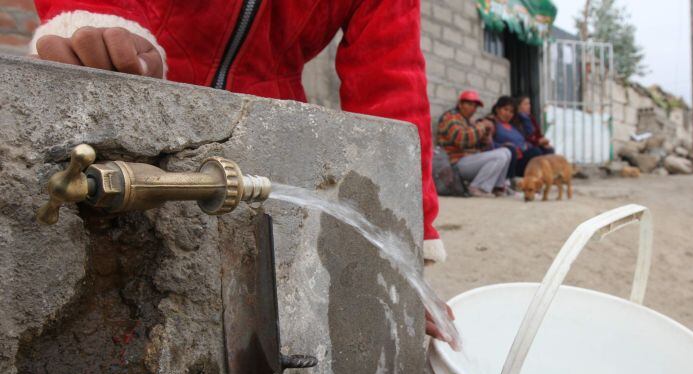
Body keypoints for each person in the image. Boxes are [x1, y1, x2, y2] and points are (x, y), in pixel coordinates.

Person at [28, 1, 453, 340]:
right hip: (140, 84)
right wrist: (100, 23)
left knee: (260, 305)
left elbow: (393, 91)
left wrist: (404, 258)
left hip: (267, 126)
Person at [436, 90, 512, 198]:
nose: (473, 108)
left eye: (475, 106)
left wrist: (485, 138)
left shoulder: (467, 120)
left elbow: (476, 146)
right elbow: (461, 138)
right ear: (460, 104)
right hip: (454, 164)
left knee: (506, 151)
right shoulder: (451, 117)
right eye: (469, 104)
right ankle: (478, 187)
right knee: (500, 156)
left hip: (467, 161)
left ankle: (497, 187)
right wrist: (481, 126)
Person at [490, 95, 543, 178]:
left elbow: (530, 132)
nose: (508, 114)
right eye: (505, 109)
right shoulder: (493, 123)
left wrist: (523, 115)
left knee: (542, 150)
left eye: (511, 112)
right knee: (534, 152)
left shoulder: (513, 126)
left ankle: (537, 179)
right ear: (497, 109)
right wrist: (503, 146)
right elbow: (487, 143)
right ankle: (510, 180)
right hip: (507, 159)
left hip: (520, 157)